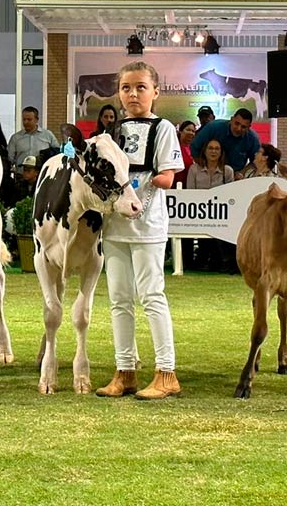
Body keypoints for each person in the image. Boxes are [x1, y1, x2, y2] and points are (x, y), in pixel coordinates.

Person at [95, 60, 184, 401]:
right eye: (126, 88)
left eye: (140, 87)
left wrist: (146, 188)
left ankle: (166, 371)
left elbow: (168, 175)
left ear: (156, 93)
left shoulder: (163, 129)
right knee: (119, 299)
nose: (133, 94)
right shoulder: (112, 132)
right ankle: (125, 369)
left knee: (151, 296)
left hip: (147, 224)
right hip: (114, 226)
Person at [186, 139, 233, 271]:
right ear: (205, 151)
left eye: (217, 149)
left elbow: (230, 194)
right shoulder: (194, 169)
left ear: (221, 152)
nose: (213, 151)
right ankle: (198, 261)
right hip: (197, 213)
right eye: (210, 148)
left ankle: (220, 261)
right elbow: (189, 192)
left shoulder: (227, 171)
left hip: (219, 214)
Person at [189, 109, 260, 174]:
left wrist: (241, 173)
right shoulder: (213, 127)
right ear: (231, 119)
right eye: (237, 123)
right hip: (210, 173)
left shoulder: (252, 139)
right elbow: (194, 147)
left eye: (243, 127)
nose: (239, 129)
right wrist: (205, 167)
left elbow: (256, 162)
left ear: (249, 127)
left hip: (235, 177)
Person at [7, 106, 59, 172]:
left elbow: (57, 153)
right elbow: (9, 159)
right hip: (22, 177)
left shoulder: (48, 135)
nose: (26, 122)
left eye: (29, 119)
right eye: (24, 119)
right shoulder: (15, 138)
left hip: (42, 176)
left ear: (36, 120)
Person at [174, 121, 196, 186]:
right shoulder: (174, 147)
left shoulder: (195, 149)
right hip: (174, 186)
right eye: (188, 130)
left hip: (190, 187)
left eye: (193, 131)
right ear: (180, 131)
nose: (191, 133)